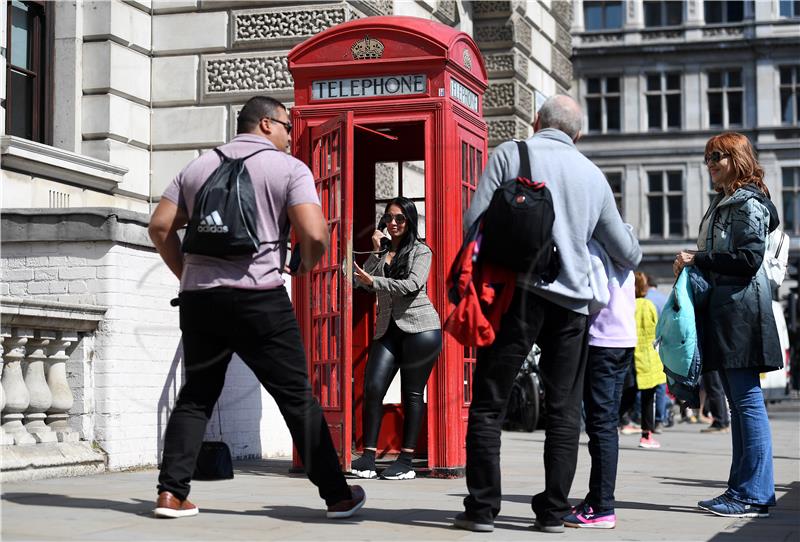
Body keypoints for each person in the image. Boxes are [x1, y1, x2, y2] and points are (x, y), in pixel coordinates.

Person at [148, 96, 365, 519]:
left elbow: (160, 227)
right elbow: (315, 233)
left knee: (197, 395)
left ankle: (171, 494)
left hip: (201, 300)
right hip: (259, 298)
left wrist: (187, 277)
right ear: (266, 124)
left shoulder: (197, 166)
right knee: (296, 397)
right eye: (286, 125)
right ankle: (338, 496)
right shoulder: (288, 169)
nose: (290, 134)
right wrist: (304, 264)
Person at [453, 95, 642, 533]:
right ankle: (553, 513)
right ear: (578, 134)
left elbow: (473, 223)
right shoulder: (593, 176)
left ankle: (482, 509)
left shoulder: (511, 154)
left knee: (489, 405)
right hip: (571, 306)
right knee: (562, 410)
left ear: (536, 121)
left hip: (514, 295)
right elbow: (626, 251)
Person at [674, 131, 782, 518]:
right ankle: (745, 489)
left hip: (742, 313)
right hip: (731, 310)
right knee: (740, 403)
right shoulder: (727, 201)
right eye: (707, 157)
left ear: (737, 158)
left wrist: (698, 259)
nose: (711, 163)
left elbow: (748, 257)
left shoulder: (747, 202)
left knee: (748, 402)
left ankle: (752, 493)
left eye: (718, 156)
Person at [350, 197, 442, 480]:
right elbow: (358, 281)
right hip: (387, 329)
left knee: (412, 393)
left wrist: (374, 281)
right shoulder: (384, 250)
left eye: (399, 218)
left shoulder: (421, 251)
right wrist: (377, 252)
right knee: (373, 387)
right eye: (388, 218)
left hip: (421, 328)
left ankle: (406, 460)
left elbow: (412, 284)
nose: (392, 223)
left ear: (410, 221)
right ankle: (367, 457)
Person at [562, 240, 636, 529]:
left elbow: (595, 295)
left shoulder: (595, 247)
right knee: (606, 425)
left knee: (600, 426)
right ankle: (597, 499)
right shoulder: (624, 244)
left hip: (602, 339)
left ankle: (603, 507)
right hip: (623, 339)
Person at [633, 272, 667, 449]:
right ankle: (647, 434)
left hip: (631, 354)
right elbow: (659, 329)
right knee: (649, 397)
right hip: (649, 356)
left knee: (626, 394)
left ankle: (622, 422)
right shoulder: (648, 305)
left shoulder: (628, 304)